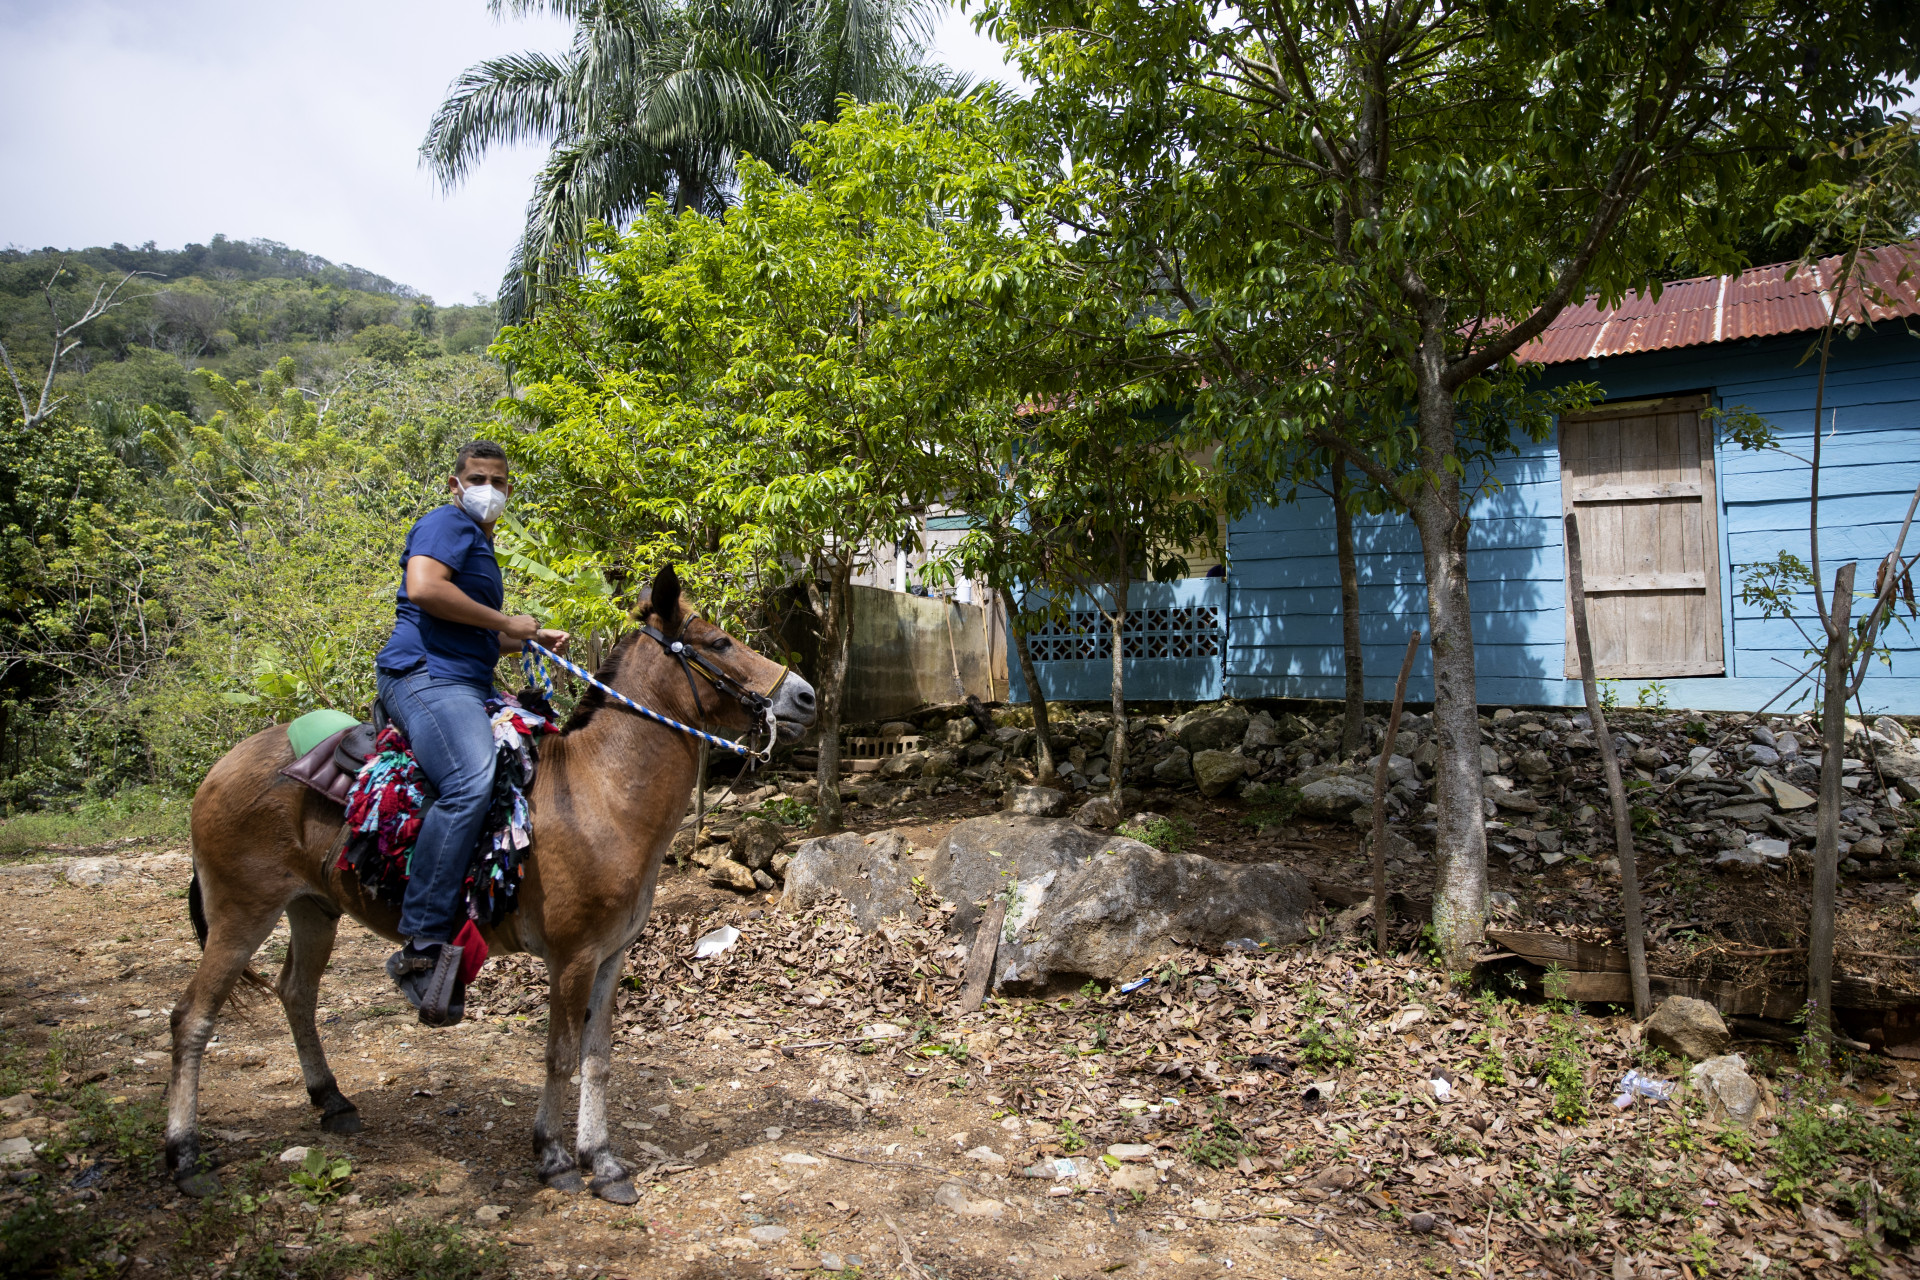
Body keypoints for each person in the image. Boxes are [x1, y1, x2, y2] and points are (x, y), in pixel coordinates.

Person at [372, 440, 568, 1024]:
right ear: (455, 485)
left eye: (499, 481)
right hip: (426, 677)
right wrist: (507, 621)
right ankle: (423, 941)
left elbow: (476, 633)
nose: (489, 489)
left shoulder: (481, 544)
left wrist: (525, 639)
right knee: (469, 779)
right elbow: (425, 589)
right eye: (478, 478)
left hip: (468, 679)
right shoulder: (446, 523)